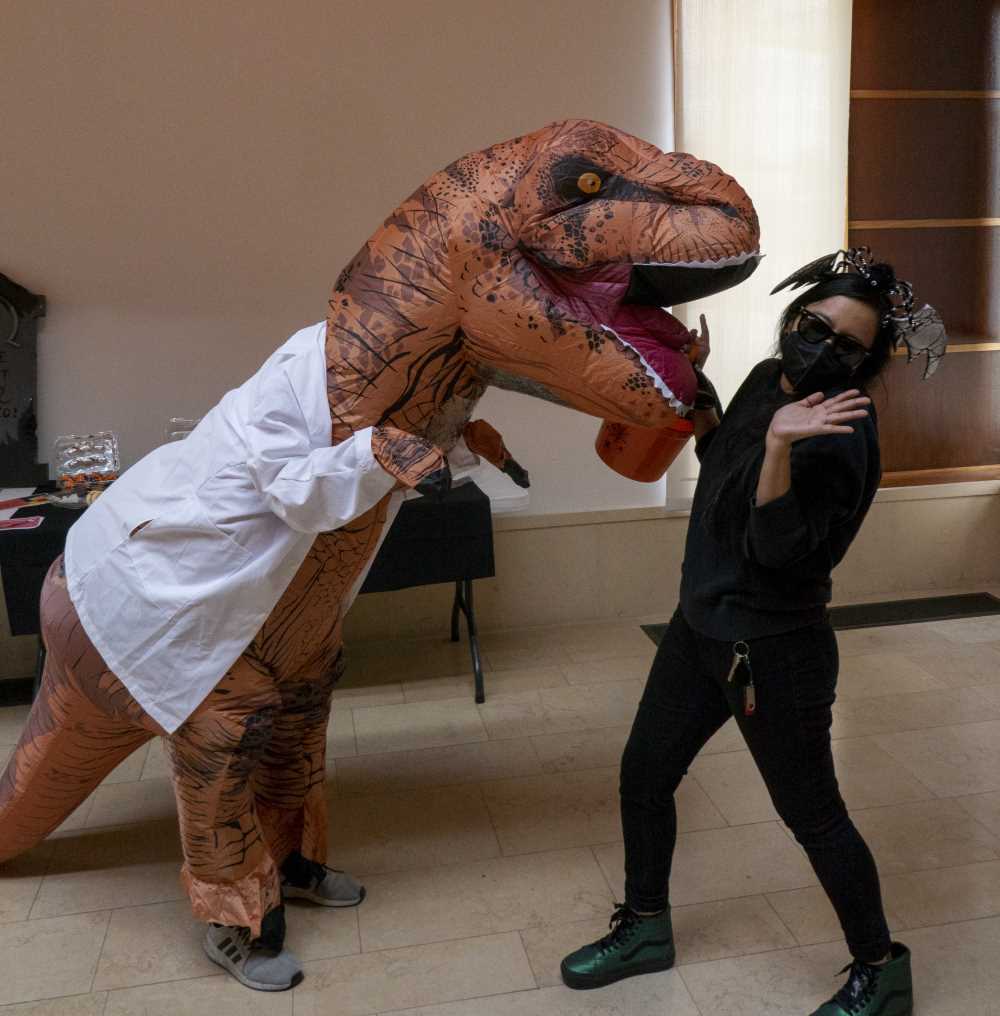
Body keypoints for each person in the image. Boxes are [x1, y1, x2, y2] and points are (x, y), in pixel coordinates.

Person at [560, 249, 946, 1016]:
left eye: (848, 347)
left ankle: (882, 966)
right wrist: (700, 386)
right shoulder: (767, 381)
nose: (822, 350)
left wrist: (781, 445)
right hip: (699, 626)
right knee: (644, 775)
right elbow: (720, 458)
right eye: (815, 327)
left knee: (813, 815)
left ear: (867, 364)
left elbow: (777, 551)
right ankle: (645, 927)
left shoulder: (839, 431)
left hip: (772, 651)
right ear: (794, 317)